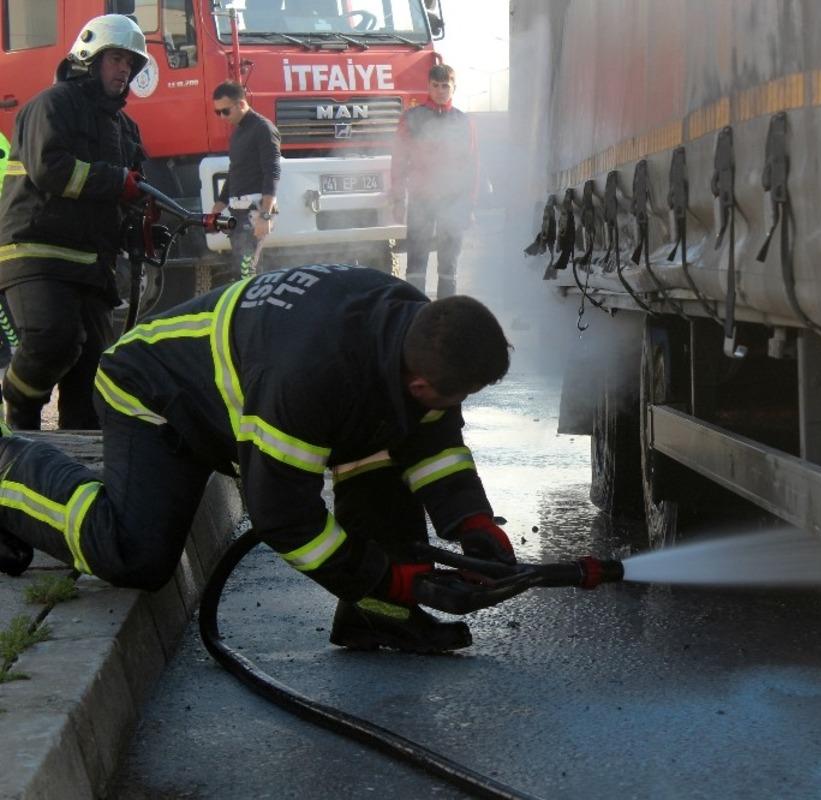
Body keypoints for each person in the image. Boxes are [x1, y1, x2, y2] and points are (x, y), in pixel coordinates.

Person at [0, 265, 517, 652]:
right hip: (155, 396)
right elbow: (285, 517)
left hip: (237, 397)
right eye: (459, 395)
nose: (459, 406)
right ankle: (8, 472)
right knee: (133, 554)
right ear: (422, 382)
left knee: (379, 449)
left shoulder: (412, 330)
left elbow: (432, 442)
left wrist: (472, 521)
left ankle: (379, 617)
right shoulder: (309, 375)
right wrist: (385, 575)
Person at [0, 14, 149, 430]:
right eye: (116, 58)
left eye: (130, 64)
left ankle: (77, 467)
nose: (124, 70)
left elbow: (135, 189)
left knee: (91, 375)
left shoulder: (125, 128)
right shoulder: (51, 105)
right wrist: (115, 180)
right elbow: (51, 168)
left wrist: (146, 221)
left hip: (93, 263)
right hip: (36, 252)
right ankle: (18, 417)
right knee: (53, 341)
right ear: (89, 56)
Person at [390, 63, 479, 298]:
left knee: (449, 263)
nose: (441, 90)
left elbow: (471, 165)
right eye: (436, 85)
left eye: (445, 86)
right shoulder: (412, 118)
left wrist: (468, 205)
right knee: (417, 260)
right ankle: (415, 312)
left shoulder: (463, 122)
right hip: (422, 198)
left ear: (454, 88)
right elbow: (398, 161)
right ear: (428, 86)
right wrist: (398, 199)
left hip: (454, 200)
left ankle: (446, 314)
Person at [209, 81, 281, 282]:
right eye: (218, 113)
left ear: (241, 104)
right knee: (240, 269)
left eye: (225, 111)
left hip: (255, 210)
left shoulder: (263, 128)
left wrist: (265, 215)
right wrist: (218, 206)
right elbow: (234, 172)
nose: (222, 117)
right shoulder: (238, 133)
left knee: (246, 270)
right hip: (237, 212)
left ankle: (256, 308)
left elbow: (272, 172)